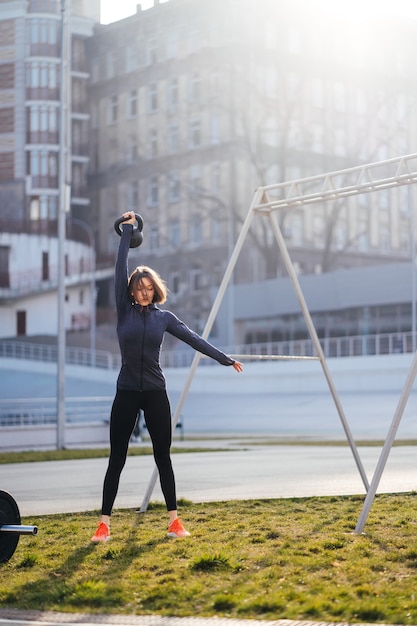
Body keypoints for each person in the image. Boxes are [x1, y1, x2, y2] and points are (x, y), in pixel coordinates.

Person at [91, 211, 243, 543]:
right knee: (117, 457)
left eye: (148, 288)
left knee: (163, 455)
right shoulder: (123, 310)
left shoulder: (164, 318)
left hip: (156, 392)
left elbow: (194, 339)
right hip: (127, 390)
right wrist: (126, 232)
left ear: (154, 290)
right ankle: (103, 524)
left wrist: (224, 359)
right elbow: (120, 268)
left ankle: (174, 521)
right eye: (138, 288)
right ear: (131, 291)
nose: (143, 292)